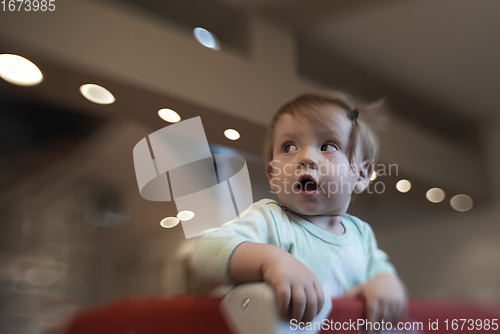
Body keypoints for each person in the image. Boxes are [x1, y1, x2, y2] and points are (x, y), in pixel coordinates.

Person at [190, 91, 407, 326]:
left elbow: (382, 271)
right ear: (273, 175)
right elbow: (204, 252)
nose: (306, 157)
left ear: (362, 175)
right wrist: (270, 260)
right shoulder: (271, 220)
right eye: (289, 146)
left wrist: (387, 283)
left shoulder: (361, 235)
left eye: (328, 145)